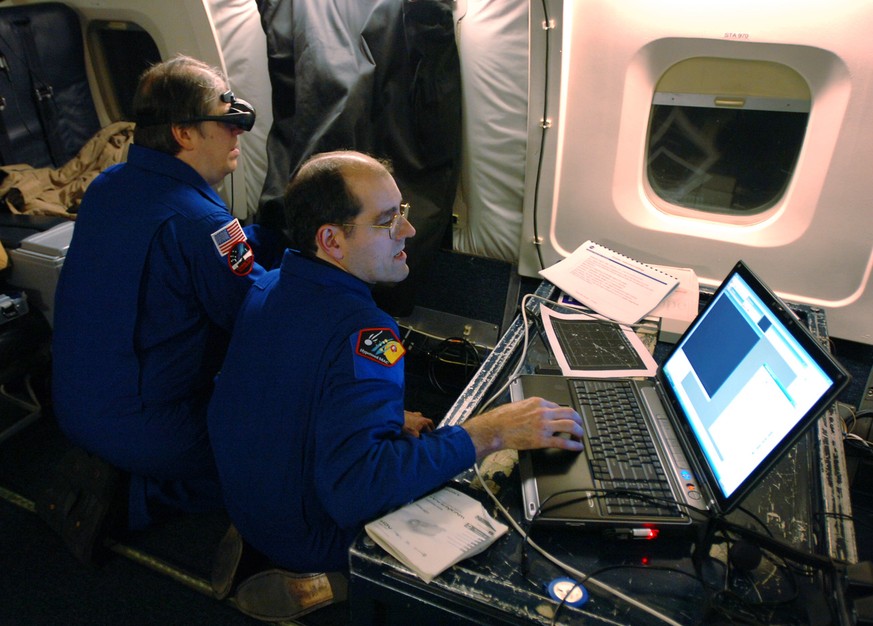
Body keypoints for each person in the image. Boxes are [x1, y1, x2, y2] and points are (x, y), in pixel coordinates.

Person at [207, 150, 583, 582]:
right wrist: (491, 431)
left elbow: (285, 389)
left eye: (400, 210)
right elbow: (359, 491)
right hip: (313, 535)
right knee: (502, 540)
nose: (408, 229)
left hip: (248, 503)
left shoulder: (270, 284)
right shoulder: (366, 332)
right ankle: (330, 585)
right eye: (387, 220)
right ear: (332, 241)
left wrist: (383, 418)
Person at [46, 55, 281, 560]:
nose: (237, 133)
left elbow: (202, 248)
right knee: (280, 455)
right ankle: (134, 499)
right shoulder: (202, 224)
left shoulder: (108, 187)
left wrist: (267, 240)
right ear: (184, 133)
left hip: (72, 404)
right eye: (226, 120)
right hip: (145, 428)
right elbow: (257, 317)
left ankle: (120, 464)